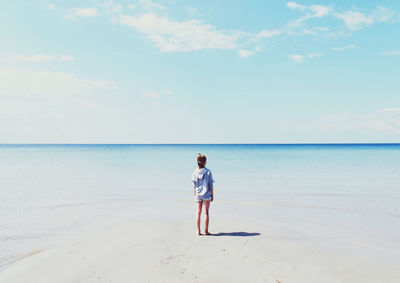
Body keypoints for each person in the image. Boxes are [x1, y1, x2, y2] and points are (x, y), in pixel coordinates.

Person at [192, 153, 214, 236]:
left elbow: (194, 185)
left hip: (198, 194)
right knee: (206, 213)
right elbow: (210, 185)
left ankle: (198, 231)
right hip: (206, 194)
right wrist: (212, 195)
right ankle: (206, 231)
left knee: (198, 212)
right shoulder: (208, 172)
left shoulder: (195, 172)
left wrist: (195, 195)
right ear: (205, 162)